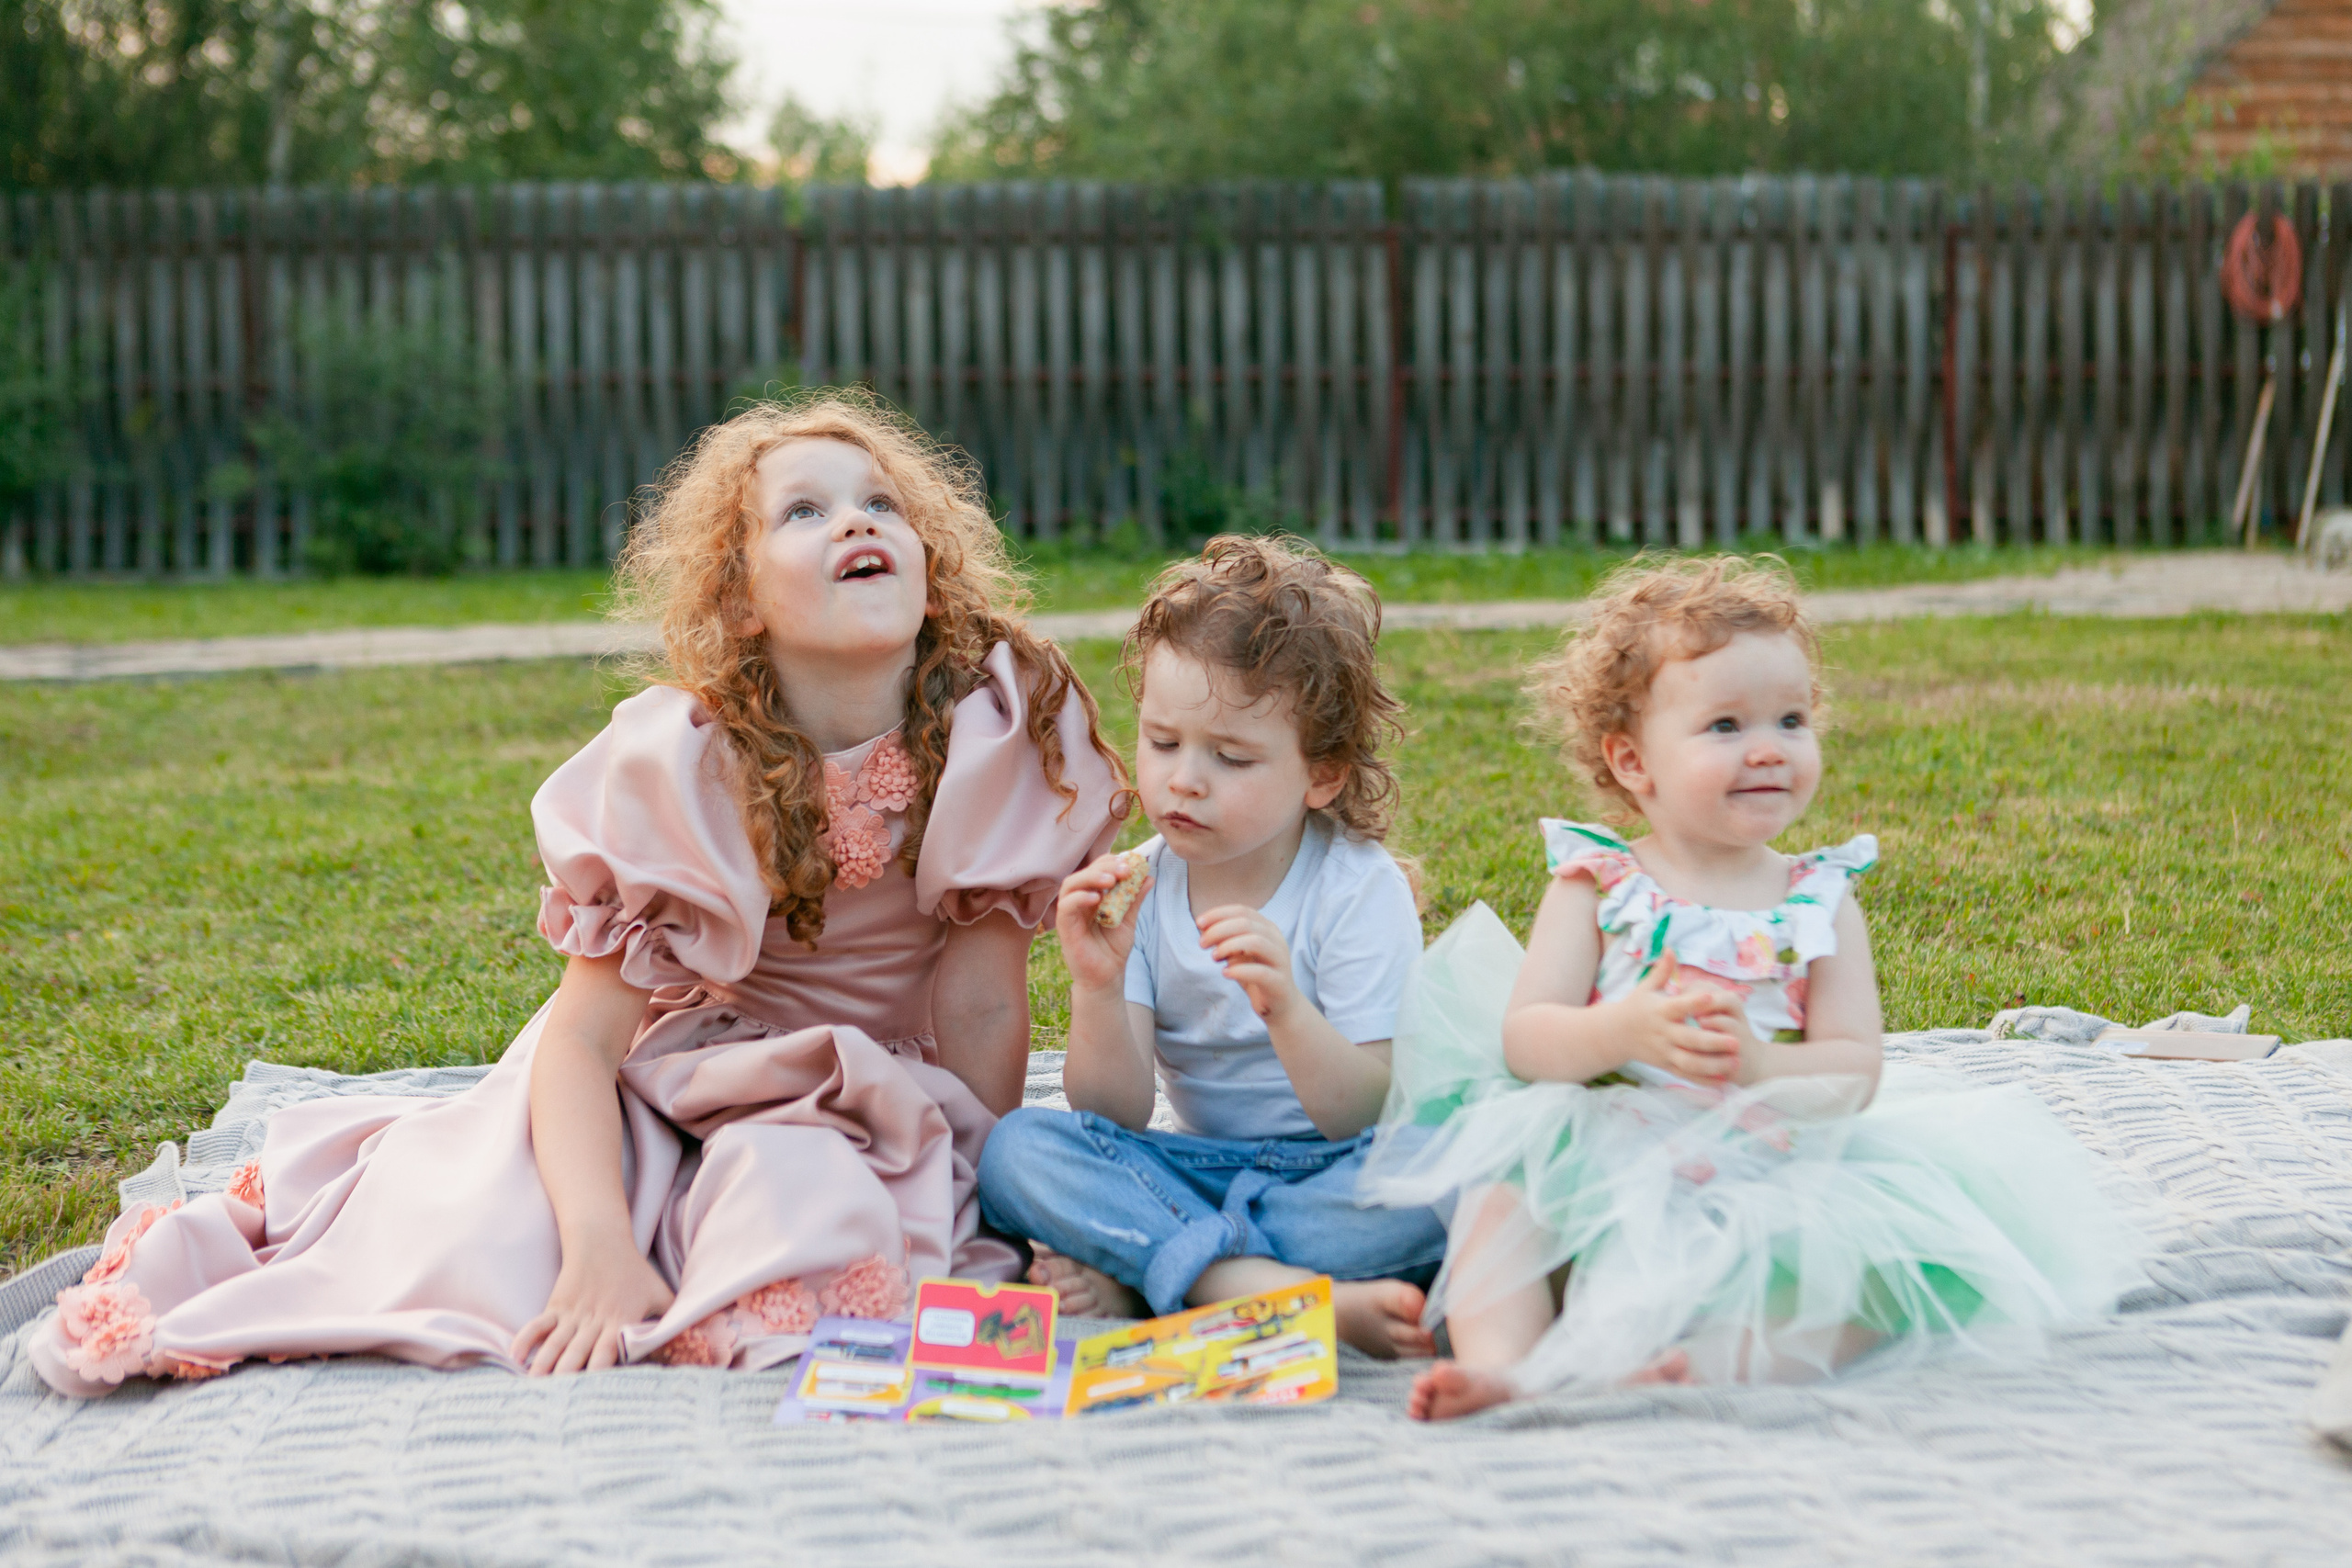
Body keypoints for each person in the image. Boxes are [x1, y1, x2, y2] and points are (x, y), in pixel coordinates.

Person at [33, 393, 1126, 1396]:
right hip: (684, 1072)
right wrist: (599, 1240)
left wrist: (977, 1186)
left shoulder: (990, 728)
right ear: (741, 601)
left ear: (927, 555)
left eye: (879, 502)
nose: (856, 523)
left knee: (828, 1199)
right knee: (494, 1226)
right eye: (806, 511)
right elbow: (582, 1045)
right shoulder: (677, 765)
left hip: (882, 1086)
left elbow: (981, 1006)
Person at [1362, 554, 2146, 1420]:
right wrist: (1621, 1031)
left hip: (1767, 1159)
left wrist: (1761, 1070)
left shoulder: (1818, 898)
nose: (1769, 747)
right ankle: (1507, 1365)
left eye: (1792, 719)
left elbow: (1853, 1068)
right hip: (1607, 1145)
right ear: (1632, 761)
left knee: (1872, 1269)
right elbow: (1528, 1036)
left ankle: (1700, 1363)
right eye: (1726, 725)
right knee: (1500, 1194)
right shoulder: (1597, 882)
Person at [977, 536, 1448, 1360]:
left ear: (1322, 775)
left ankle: (1155, 1269)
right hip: (1193, 1166)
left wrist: (1288, 1011)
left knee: (1447, 1181)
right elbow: (1112, 1114)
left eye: (1230, 757)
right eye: (1162, 742)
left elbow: (1366, 1111)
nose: (1184, 780)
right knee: (1018, 1150)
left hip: (1334, 1176)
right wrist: (1096, 984)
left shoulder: (1355, 890)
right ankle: (1258, 1291)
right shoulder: (1147, 887)